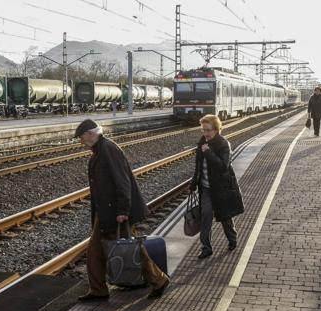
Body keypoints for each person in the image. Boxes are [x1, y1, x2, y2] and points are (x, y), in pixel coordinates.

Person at [75, 119, 170, 301]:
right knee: (95, 251)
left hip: (115, 212)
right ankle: (98, 290)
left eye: (81, 137)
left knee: (131, 250)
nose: (81, 142)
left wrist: (123, 211)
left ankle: (159, 280)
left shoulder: (108, 150)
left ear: (91, 134)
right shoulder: (99, 150)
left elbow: (123, 181)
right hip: (105, 212)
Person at [190, 115, 244, 259]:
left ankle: (232, 239)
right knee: (206, 215)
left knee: (225, 216)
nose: (206, 133)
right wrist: (194, 181)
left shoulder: (223, 144)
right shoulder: (202, 142)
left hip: (221, 188)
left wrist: (208, 152)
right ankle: (206, 247)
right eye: (203, 130)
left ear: (216, 129)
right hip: (206, 187)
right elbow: (199, 165)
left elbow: (222, 167)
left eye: (208, 130)